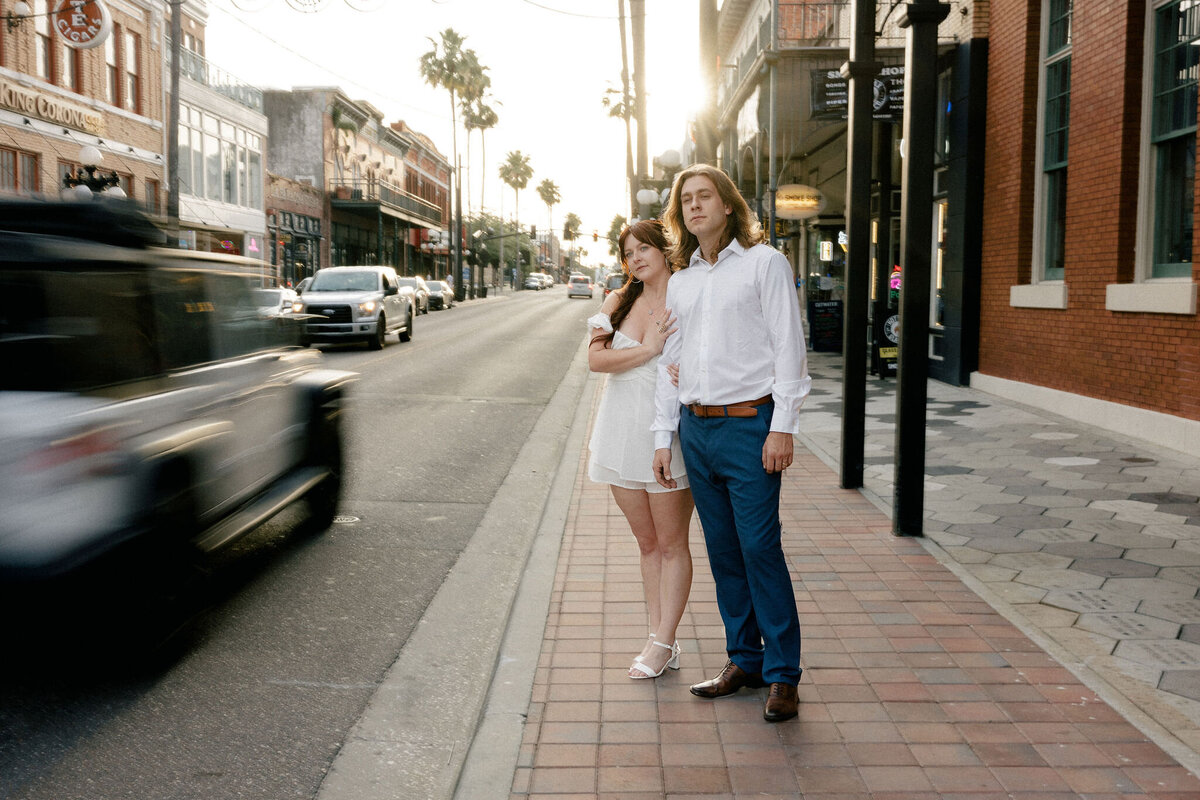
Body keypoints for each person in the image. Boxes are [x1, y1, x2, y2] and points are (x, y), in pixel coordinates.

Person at [651, 164, 810, 722]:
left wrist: (782, 424)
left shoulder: (765, 264)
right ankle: (744, 660)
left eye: (704, 197)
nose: (695, 206)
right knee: (723, 553)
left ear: (727, 205)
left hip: (750, 426)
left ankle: (783, 674)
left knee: (760, 548)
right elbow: (672, 362)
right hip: (697, 428)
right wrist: (665, 435)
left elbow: (789, 346)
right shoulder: (683, 279)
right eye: (686, 200)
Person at [587, 219, 695, 680]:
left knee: (672, 543)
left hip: (666, 434)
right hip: (618, 430)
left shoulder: (689, 293)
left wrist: (685, 371)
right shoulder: (619, 298)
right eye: (628, 251)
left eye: (643, 248)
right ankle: (659, 639)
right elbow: (595, 360)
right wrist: (649, 350)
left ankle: (663, 639)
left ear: (664, 249)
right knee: (647, 543)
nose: (635, 258)